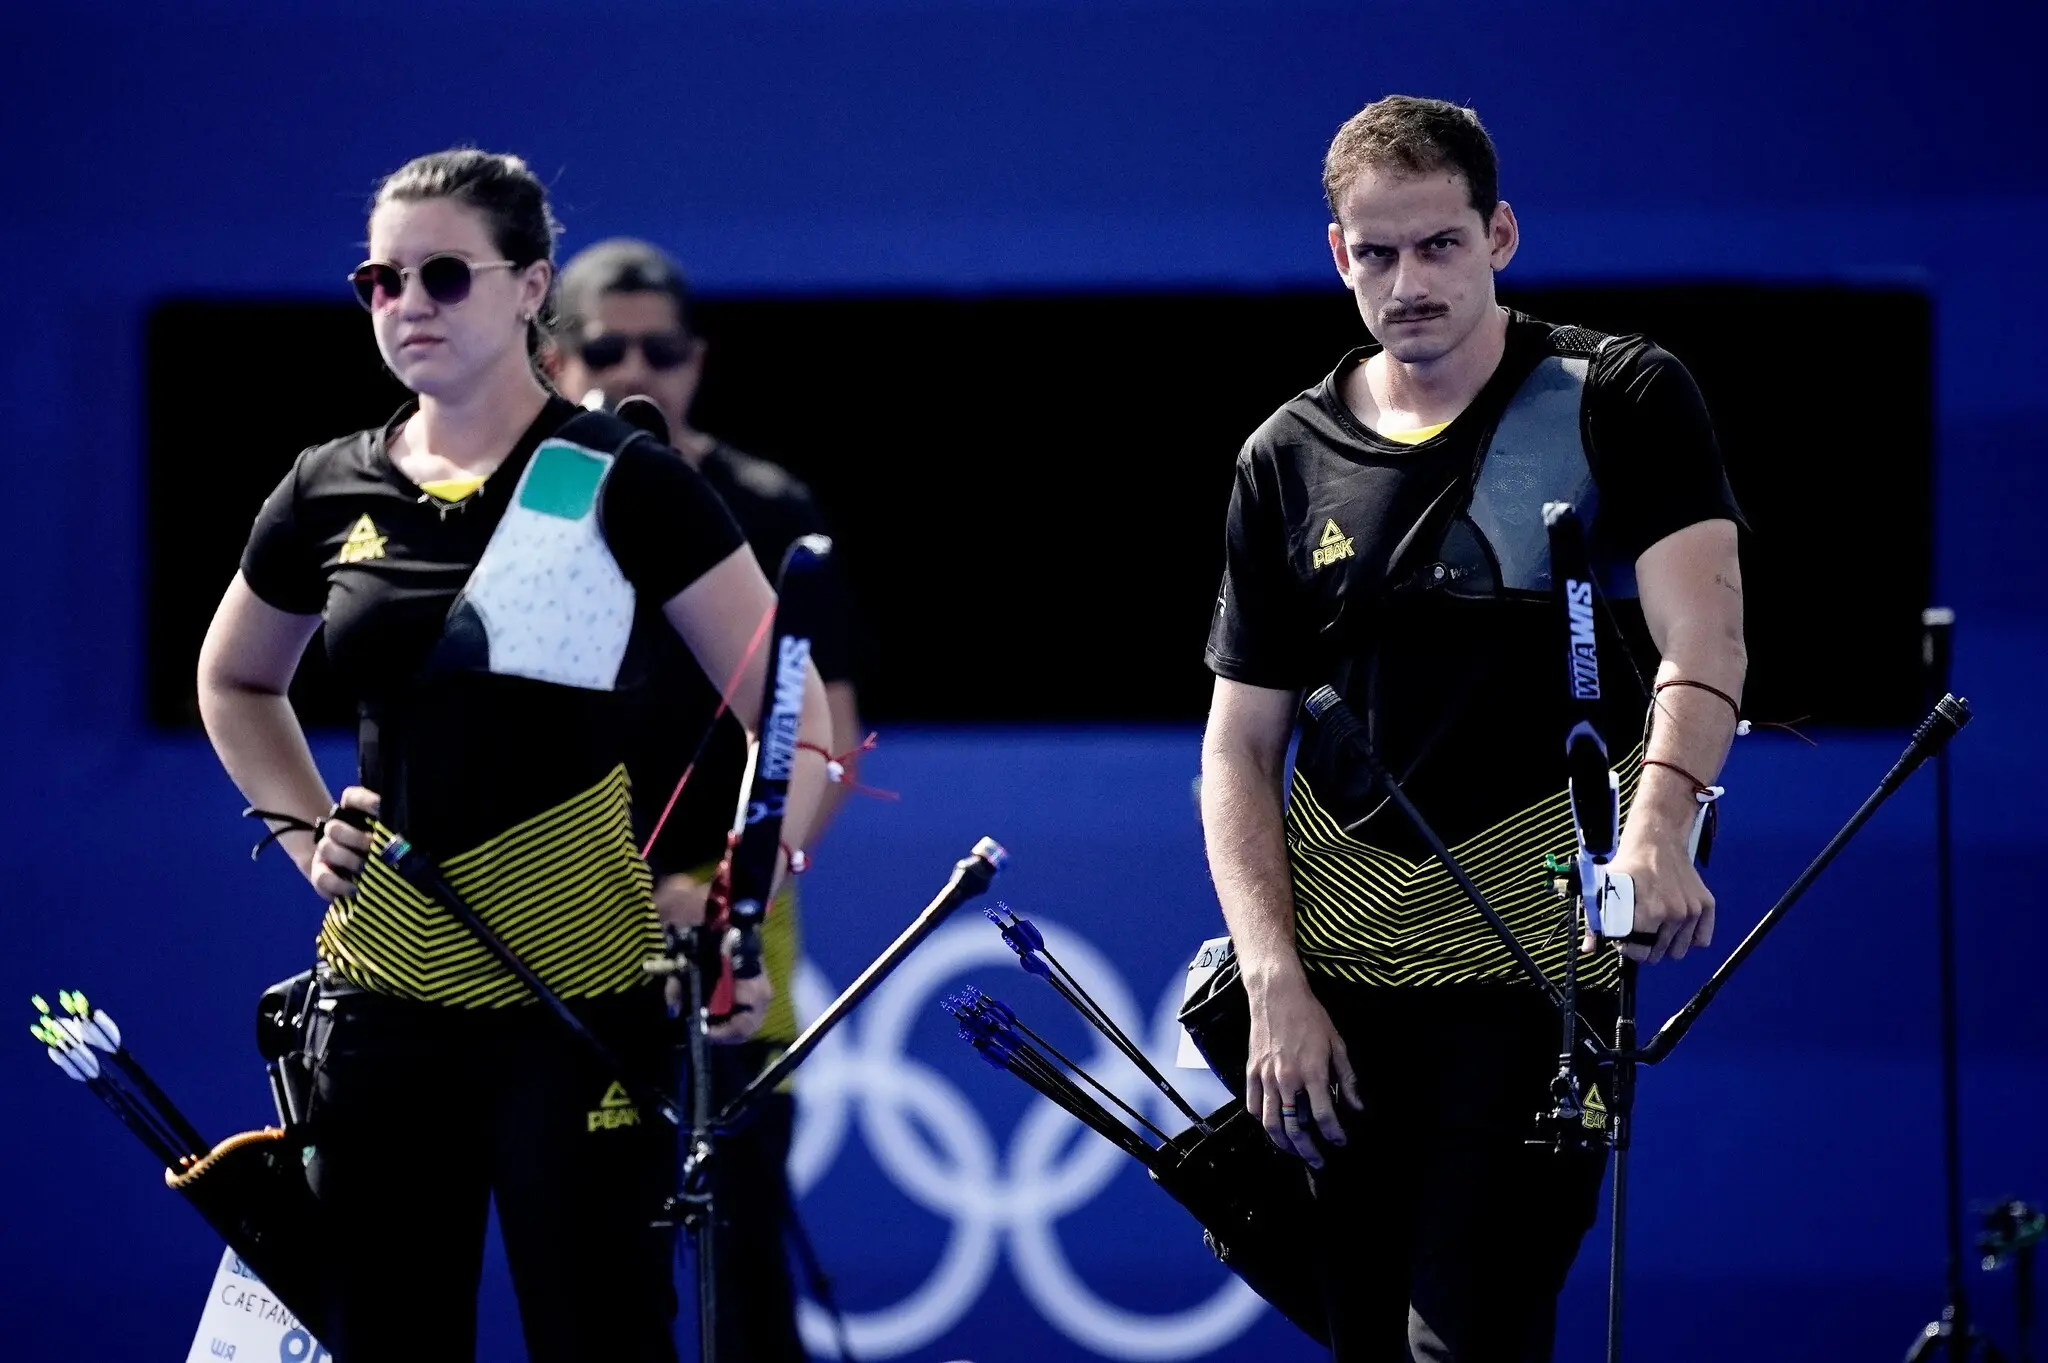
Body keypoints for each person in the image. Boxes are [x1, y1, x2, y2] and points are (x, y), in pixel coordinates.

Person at [195, 149, 831, 1363]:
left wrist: (737, 915)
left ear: (532, 285)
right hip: (380, 1002)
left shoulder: (625, 481)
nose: (407, 304)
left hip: (581, 1004)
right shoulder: (325, 484)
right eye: (381, 279)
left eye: (444, 274)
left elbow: (793, 717)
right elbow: (234, 677)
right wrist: (300, 830)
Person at [1198, 96, 1746, 1361]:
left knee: (1465, 1346)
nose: (1408, 282)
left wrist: (1658, 829)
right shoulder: (1280, 454)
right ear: (1337, 254)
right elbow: (1236, 747)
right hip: (1329, 992)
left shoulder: (1620, 395)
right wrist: (1273, 983)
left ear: (1499, 234)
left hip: (1532, 966)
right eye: (1376, 253)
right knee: (1369, 1345)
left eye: (1439, 244)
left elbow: (1702, 644)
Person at [544, 237, 865, 1362]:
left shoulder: (769, 506)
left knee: (739, 1222)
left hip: (734, 904)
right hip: (559, 911)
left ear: (698, 359)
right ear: (550, 356)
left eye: (662, 348)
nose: (634, 367)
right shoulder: (530, 509)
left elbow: (827, 727)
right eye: (603, 346)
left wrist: (737, 882)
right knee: (590, 1237)